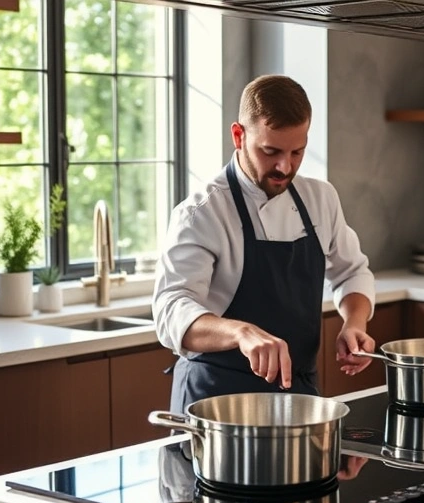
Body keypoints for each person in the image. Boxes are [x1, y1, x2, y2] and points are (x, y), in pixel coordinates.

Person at [153, 74, 376, 413]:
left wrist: (354, 323)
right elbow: (171, 310)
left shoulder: (321, 198)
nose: (285, 167)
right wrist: (240, 332)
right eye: (270, 151)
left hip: (297, 401)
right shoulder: (202, 212)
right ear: (239, 136)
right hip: (216, 405)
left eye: (297, 152)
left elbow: (351, 273)